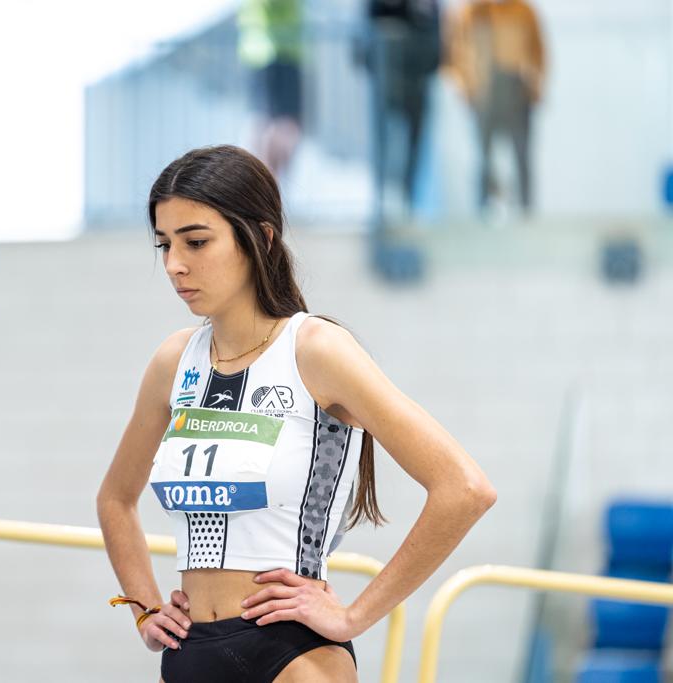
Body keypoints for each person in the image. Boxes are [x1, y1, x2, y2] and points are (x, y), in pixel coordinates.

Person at [96, 145, 496, 683]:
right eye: (164, 244)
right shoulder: (174, 361)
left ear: (259, 237)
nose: (174, 264)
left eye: (196, 241)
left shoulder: (316, 349)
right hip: (190, 654)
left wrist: (355, 615)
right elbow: (115, 500)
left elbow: (464, 489)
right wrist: (144, 607)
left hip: (290, 655)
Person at [445, 0, 546, 215]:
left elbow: (539, 51)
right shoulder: (471, 12)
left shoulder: (523, 11)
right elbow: (454, 53)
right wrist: (465, 85)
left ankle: (525, 211)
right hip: (483, 90)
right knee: (483, 158)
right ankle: (483, 210)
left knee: (521, 155)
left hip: (517, 88)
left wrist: (536, 84)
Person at [356, 0, 442, 228]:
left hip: (416, 80)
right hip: (386, 80)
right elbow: (365, 36)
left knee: (415, 143)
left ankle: (410, 200)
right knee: (383, 142)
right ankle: (381, 200)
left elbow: (435, 34)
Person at [238, 0, 304, 179]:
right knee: (271, 126)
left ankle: (268, 191)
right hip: (269, 52)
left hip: (284, 52)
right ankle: (264, 191)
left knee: (281, 127)